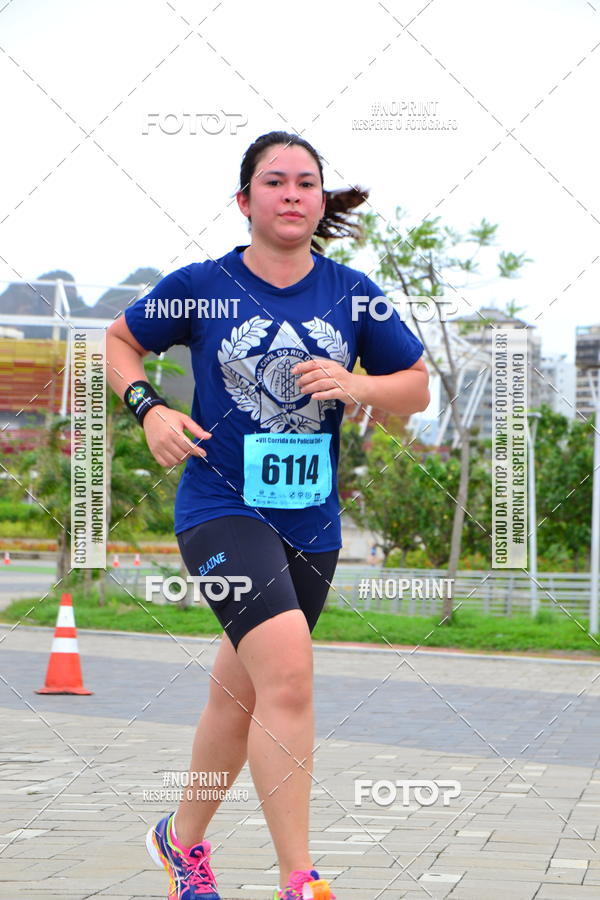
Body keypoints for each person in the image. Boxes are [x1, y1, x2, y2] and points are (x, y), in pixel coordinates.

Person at [106, 130, 429, 900]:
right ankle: (299, 879)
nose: (292, 193)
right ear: (244, 200)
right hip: (220, 508)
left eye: (306, 182)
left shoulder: (354, 292)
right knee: (288, 674)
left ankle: (180, 842)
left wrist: (359, 386)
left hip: (311, 523)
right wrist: (148, 408)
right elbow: (119, 341)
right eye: (275, 181)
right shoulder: (202, 285)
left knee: (241, 695)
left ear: (320, 201)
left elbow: (415, 384)